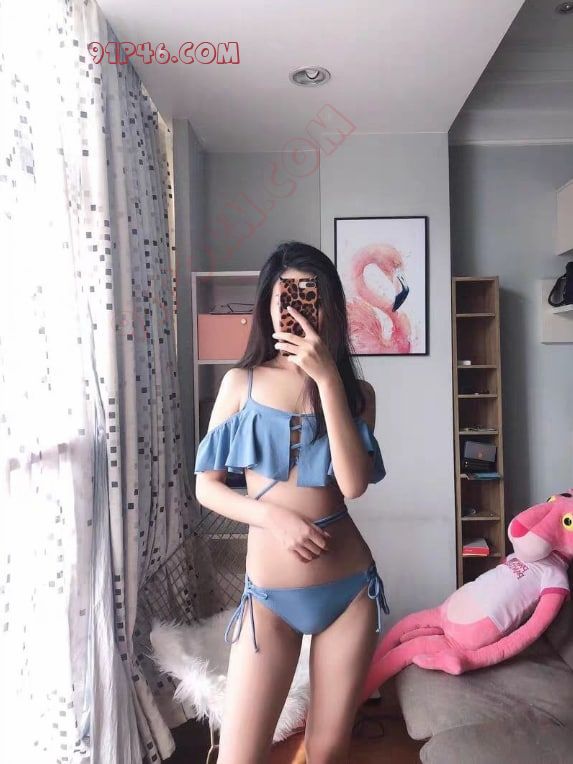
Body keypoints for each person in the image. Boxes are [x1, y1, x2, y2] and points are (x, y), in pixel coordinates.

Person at [194, 241, 389, 764]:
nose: (298, 306)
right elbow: (206, 487)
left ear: (330, 306)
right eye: (286, 294)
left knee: (326, 751)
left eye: (310, 294)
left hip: (348, 593)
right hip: (268, 600)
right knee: (239, 756)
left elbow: (353, 484)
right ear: (268, 304)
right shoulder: (240, 383)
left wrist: (326, 379)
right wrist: (273, 518)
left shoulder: (356, 393)